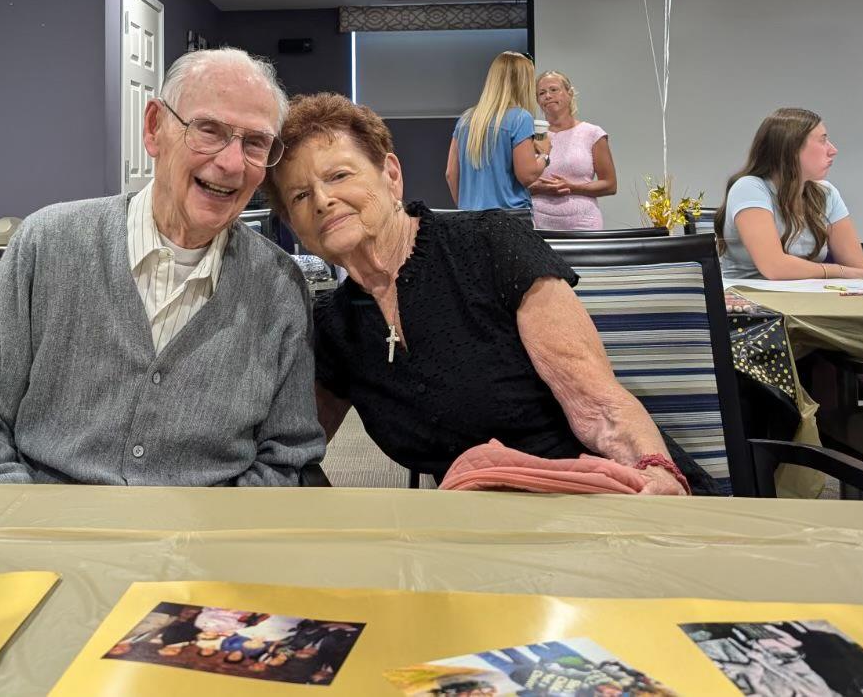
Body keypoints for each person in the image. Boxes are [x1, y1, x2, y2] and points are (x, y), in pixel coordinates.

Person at [0, 48, 324, 486]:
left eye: (255, 143)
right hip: (43, 536)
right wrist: (29, 529)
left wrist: (210, 543)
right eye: (208, 130)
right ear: (154, 129)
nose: (230, 163)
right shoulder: (48, 243)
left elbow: (288, 457)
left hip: (199, 544)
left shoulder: (279, 286)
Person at [268, 93, 696, 494]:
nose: (323, 200)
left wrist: (655, 472)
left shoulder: (490, 245)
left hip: (597, 500)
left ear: (391, 174)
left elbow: (598, 407)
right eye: (301, 195)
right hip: (476, 535)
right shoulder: (335, 328)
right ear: (294, 224)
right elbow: (292, 455)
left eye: (339, 175)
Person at [714, 108, 863, 283]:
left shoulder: (826, 193)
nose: (833, 150)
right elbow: (775, 267)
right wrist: (840, 271)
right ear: (792, 148)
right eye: (823, 140)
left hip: (806, 299)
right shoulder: (749, 187)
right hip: (749, 303)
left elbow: (859, 270)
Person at [446, 51, 547, 211]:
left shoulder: (466, 119)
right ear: (524, 83)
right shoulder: (521, 118)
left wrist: (467, 209)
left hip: (469, 219)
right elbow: (527, 176)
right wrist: (545, 156)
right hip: (510, 220)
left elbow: (451, 174)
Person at [528, 70, 616, 231]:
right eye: (541, 93)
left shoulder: (592, 134)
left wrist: (573, 187)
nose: (547, 96)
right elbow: (514, 185)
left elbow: (610, 185)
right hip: (538, 225)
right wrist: (539, 188)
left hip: (583, 224)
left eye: (554, 90)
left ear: (570, 94)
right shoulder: (529, 136)